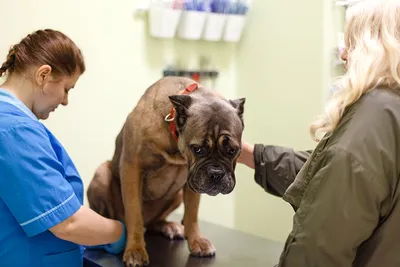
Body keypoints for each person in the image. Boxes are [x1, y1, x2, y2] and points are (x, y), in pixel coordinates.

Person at [238, 0, 400, 266]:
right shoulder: (390, 112)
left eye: (351, 42)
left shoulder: (372, 120)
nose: (344, 55)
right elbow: (331, 177)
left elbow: (315, 253)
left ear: (375, 46)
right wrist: (249, 154)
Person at [0, 29, 126, 267]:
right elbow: (68, 223)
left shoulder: (14, 123)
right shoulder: (13, 129)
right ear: (44, 75)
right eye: (67, 88)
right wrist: (122, 233)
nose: (65, 100)